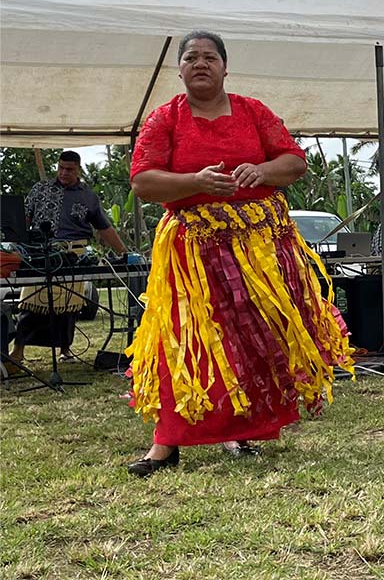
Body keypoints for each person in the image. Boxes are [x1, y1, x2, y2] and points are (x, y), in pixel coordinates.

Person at [125, 30, 354, 476]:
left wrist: (261, 170)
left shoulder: (252, 111)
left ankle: (240, 430)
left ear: (225, 67)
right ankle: (165, 444)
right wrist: (196, 182)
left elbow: (294, 162)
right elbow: (143, 181)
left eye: (210, 57)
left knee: (251, 338)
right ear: (179, 69)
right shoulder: (165, 119)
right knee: (184, 340)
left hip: (259, 250)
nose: (201, 64)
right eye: (191, 57)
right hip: (191, 251)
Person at [9, 150, 127, 364]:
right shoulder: (40, 189)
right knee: (29, 303)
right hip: (41, 253)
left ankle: (65, 350)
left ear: (78, 169)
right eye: (61, 168)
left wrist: (124, 253)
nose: (64, 173)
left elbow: (104, 227)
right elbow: (23, 219)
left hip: (74, 253)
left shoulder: (88, 196)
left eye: (69, 169)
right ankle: (18, 351)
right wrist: (17, 244)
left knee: (68, 306)